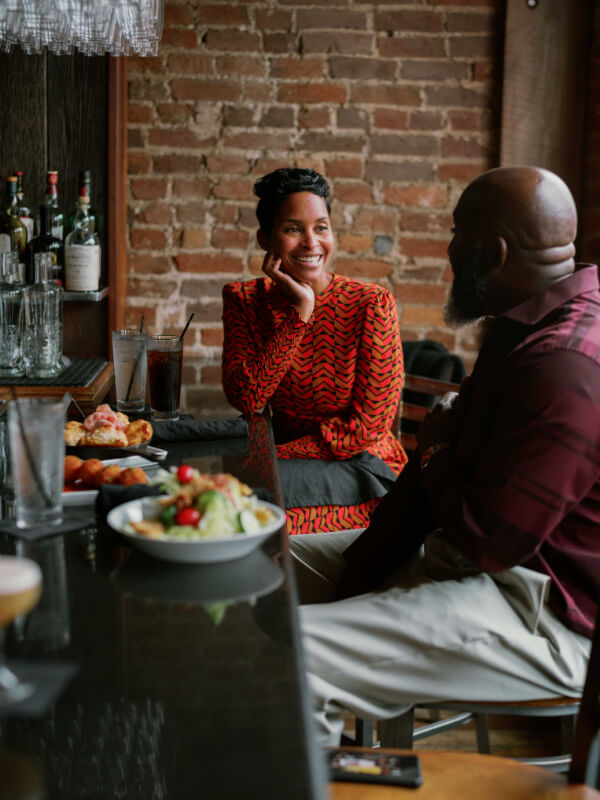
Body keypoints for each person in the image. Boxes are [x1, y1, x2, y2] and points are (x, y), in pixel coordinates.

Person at [289, 166, 600, 744]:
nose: (449, 248)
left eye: (456, 233)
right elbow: (438, 488)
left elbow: (490, 540)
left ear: (492, 251)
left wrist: (432, 454)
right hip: (466, 557)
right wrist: (360, 573)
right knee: (258, 563)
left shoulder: (565, 366)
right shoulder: (525, 327)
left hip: (544, 613)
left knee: (288, 660)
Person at [221, 168, 407, 534]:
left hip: (361, 468)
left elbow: (367, 429)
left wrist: (274, 456)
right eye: (293, 229)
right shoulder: (244, 300)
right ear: (265, 239)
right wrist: (299, 317)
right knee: (236, 504)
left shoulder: (371, 304)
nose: (311, 242)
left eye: (321, 227)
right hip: (280, 468)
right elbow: (247, 397)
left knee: (252, 518)